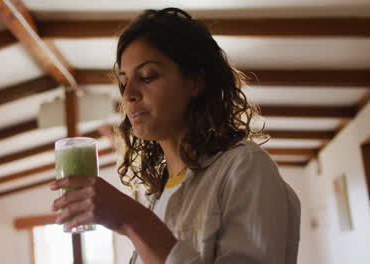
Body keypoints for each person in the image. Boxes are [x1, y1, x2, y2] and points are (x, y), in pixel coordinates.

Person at [50, 7, 300, 264]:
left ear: (195, 82)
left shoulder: (244, 167)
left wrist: (132, 219)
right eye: (124, 82)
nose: (128, 95)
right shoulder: (159, 195)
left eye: (147, 76)